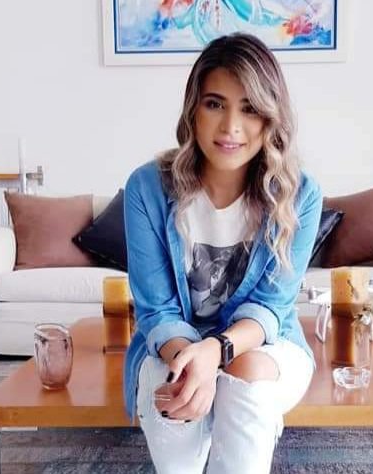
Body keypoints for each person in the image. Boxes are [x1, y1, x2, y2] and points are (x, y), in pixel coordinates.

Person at [123, 33, 322, 473]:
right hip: (171, 345)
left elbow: (271, 307)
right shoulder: (147, 188)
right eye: (215, 104)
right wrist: (192, 359)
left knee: (245, 373)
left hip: (263, 346)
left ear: (271, 118)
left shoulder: (299, 195)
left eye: (249, 108)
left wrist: (216, 351)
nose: (231, 126)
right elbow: (156, 310)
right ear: (193, 110)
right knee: (174, 383)